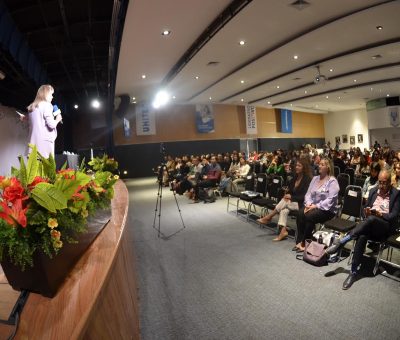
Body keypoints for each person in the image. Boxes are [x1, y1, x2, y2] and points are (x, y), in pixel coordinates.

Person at [326, 170, 400, 289]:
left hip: (384, 227)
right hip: (369, 226)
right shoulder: (373, 191)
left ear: (390, 183)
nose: (381, 186)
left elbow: (394, 215)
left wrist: (380, 215)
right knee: (362, 235)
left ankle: (343, 241)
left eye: (384, 183)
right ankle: (353, 272)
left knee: (371, 220)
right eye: (379, 182)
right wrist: (366, 212)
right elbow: (364, 208)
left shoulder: (396, 194)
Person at [257, 158, 312, 241]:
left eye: (299, 166)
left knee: (285, 203)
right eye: (296, 165)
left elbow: (305, 197)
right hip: (292, 203)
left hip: (302, 204)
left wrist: (291, 197)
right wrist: (288, 194)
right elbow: (290, 190)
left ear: (304, 168)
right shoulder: (295, 177)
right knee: (284, 210)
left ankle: (269, 217)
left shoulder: (308, 179)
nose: (296, 167)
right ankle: (283, 231)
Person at [294, 158, 339, 251]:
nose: (319, 166)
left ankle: (304, 242)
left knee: (309, 216)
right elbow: (308, 194)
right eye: (320, 164)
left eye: (322, 165)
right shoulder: (315, 178)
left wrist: (316, 206)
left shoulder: (332, 181)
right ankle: (300, 240)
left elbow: (330, 200)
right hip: (312, 206)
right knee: (300, 213)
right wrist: (308, 204)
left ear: (328, 167)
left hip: (327, 210)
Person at [27, 84, 62, 158]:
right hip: (44, 145)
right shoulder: (47, 105)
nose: (52, 97)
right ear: (45, 94)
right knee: (46, 168)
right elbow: (51, 124)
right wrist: (57, 119)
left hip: (33, 143)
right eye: (51, 94)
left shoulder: (32, 107)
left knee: (34, 168)